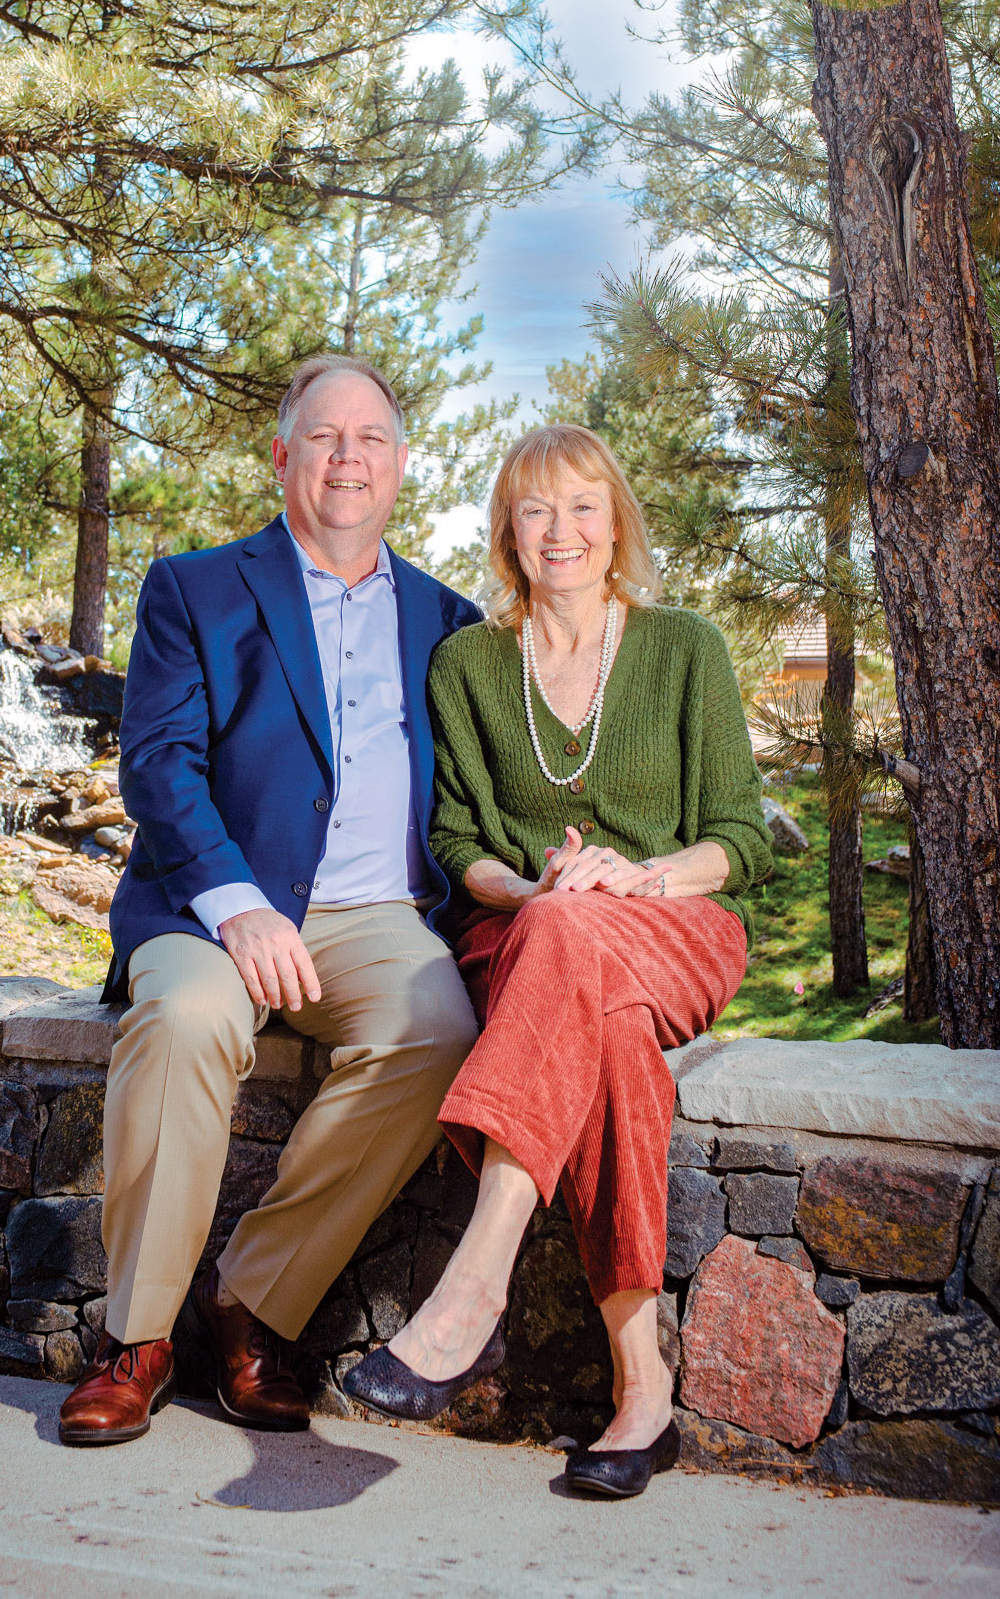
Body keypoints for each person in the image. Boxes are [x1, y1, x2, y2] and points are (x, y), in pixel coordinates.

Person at [58, 355, 481, 1446]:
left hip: (376, 916)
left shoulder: (451, 621)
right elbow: (156, 764)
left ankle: (253, 1301)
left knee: (437, 1031)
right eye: (325, 436)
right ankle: (137, 1336)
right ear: (283, 455)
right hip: (212, 902)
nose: (349, 457)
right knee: (188, 1018)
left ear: (400, 465)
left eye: (371, 439)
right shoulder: (195, 587)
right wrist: (237, 900)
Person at [345, 423, 771, 1498]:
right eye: (535, 509)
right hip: (526, 932)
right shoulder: (469, 663)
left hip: (669, 924)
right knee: (605, 1028)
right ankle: (643, 1389)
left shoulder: (683, 647)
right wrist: (538, 892)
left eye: (583, 505)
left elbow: (743, 838)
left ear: (616, 519)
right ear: (506, 531)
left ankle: (472, 1285)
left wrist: (642, 876)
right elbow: (456, 843)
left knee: (584, 938)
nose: (561, 530)